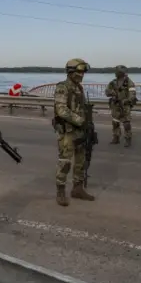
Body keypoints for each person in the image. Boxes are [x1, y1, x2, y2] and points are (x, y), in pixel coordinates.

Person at [52, 58, 96, 207]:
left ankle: (77, 189)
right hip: (68, 131)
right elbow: (61, 110)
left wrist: (87, 124)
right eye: (79, 71)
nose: (82, 74)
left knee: (81, 161)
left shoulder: (79, 87)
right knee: (65, 162)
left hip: (80, 131)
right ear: (71, 72)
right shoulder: (62, 87)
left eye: (83, 71)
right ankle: (60, 191)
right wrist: (80, 121)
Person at [104, 65, 137, 147]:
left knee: (126, 123)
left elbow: (132, 94)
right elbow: (107, 91)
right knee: (115, 122)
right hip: (115, 105)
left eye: (117, 72)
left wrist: (127, 100)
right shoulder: (113, 82)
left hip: (124, 105)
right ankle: (116, 138)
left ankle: (128, 139)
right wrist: (112, 93)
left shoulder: (129, 82)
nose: (115, 73)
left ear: (121, 72)